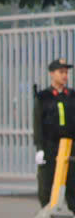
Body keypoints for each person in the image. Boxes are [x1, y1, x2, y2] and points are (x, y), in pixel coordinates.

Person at [33, 58, 75, 207]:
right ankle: (46, 211)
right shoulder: (43, 97)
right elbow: (38, 124)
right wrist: (39, 148)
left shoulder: (72, 95)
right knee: (46, 180)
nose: (64, 75)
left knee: (72, 180)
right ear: (52, 74)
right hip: (50, 145)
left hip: (70, 146)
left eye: (66, 72)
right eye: (61, 72)